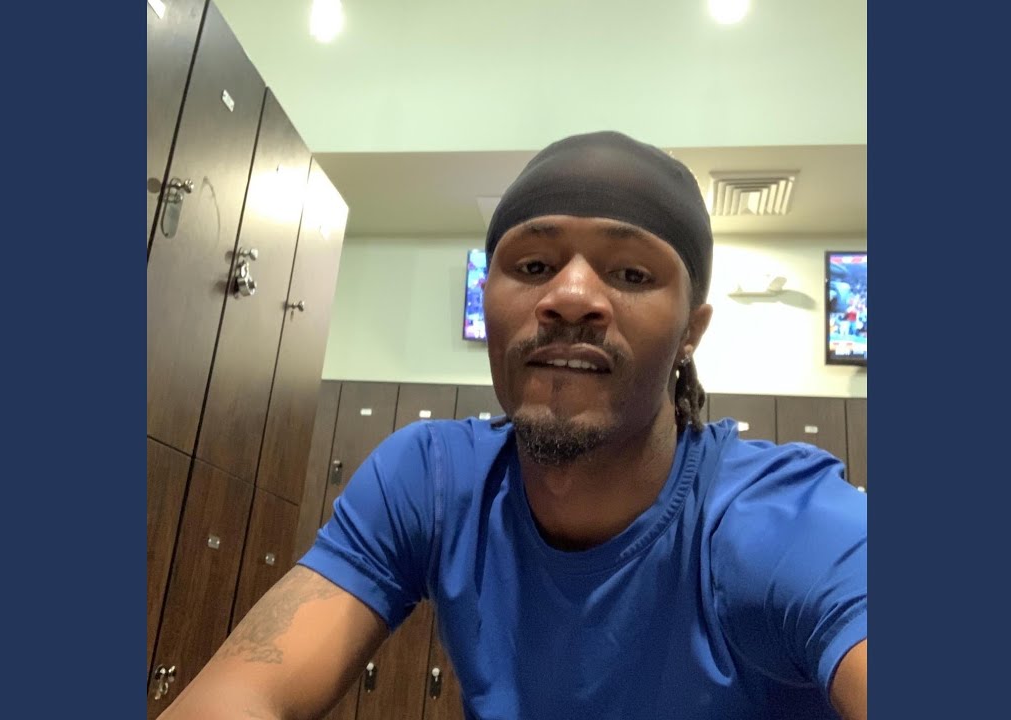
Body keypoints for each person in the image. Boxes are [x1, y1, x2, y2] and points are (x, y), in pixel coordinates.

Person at [159, 131, 867, 720]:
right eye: (533, 264)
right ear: (489, 298)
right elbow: (246, 692)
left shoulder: (781, 518)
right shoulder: (433, 480)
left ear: (691, 331)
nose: (571, 295)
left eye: (630, 274)